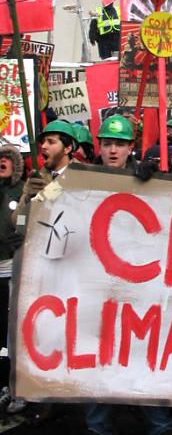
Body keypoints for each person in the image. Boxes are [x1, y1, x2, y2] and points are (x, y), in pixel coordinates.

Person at [85, 115, 172, 435]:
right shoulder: (80, 180)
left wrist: (155, 180)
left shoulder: (145, 181)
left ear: (130, 148)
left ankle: (159, 424)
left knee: (142, 357)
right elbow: (46, 206)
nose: (112, 150)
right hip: (98, 291)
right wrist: (34, 191)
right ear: (99, 145)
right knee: (99, 362)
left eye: (119, 145)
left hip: (139, 293)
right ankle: (98, 426)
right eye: (107, 143)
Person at [0, 144, 25, 414]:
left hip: (11, 268)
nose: (2, 162)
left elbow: (27, 215)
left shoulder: (21, 192)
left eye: (7, 159)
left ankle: (15, 385)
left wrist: (24, 231)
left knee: (11, 332)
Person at [14, 120, 78, 222]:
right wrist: (27, 198)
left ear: (67, 148)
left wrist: (49, 194)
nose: (43, 146)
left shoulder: (84, 176)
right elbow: (19, 222)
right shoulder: (37, 180)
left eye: (51, 142)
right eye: (43, 142)